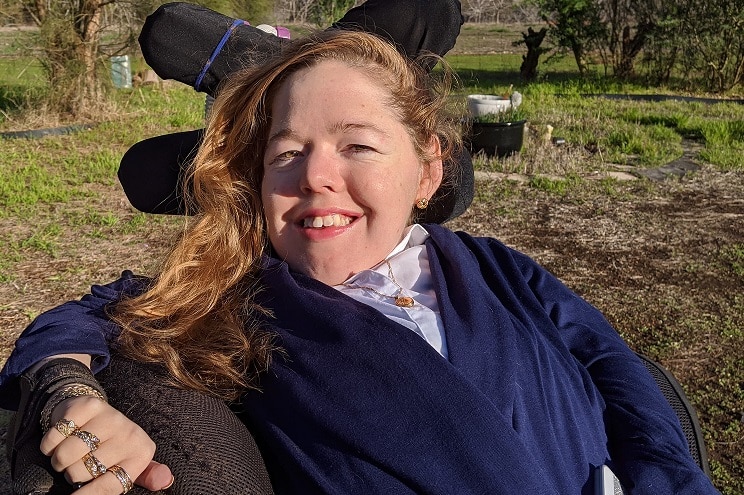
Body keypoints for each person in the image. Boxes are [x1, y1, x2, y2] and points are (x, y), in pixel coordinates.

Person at [2, 30, 719, 495]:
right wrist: (69, 391)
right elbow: (88, 313)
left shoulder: (503, 269)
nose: (314, 176)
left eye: (358, 146)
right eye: (286, 154)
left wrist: (669, 479)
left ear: (428, 169)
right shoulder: (240, 293)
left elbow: (612, 363)